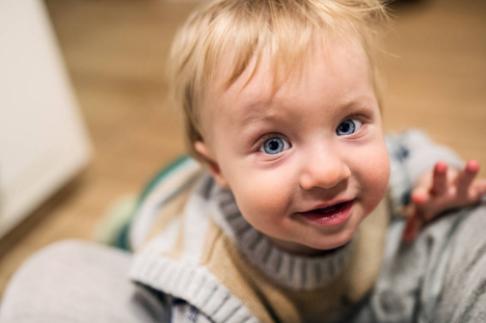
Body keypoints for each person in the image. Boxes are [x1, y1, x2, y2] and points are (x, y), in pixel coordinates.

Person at [1, 1, 485, 322]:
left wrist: (432, 179)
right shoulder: (202, 282)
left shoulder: (369, 164)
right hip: (176, 216)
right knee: (132, 233)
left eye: (347, 124)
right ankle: (126, 223)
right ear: (216, 168)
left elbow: (406, 147)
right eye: (273, 144)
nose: (330, 172)